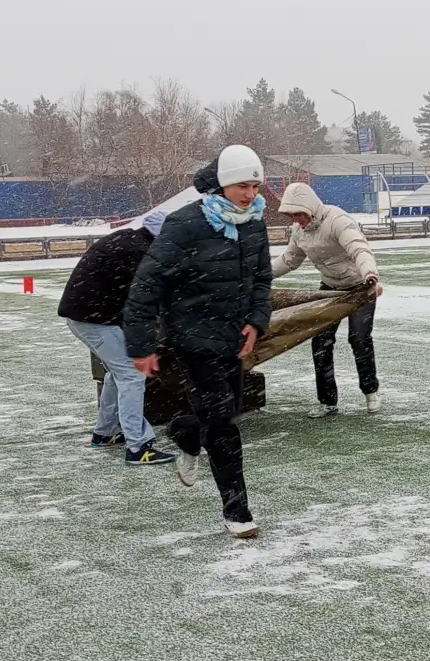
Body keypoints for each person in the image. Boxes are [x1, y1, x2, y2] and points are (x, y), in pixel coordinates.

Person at [124, 145, 274, 539]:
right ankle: (237, 510)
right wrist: (141, 344)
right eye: (243, 185)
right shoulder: (186, 223)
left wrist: (257, 321)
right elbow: (148, 284)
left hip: (232, 338)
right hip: (192, 336)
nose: (250, 193)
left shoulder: (254, 222)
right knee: (223, 424)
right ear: (223, 183)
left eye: (256, 185)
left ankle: (185, 433)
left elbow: (262, 279)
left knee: (227, 412)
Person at [57, 213, 174, 466]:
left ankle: (105, 433)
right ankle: (138, 447)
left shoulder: (131, 242)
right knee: (132, 375)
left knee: (117, 372)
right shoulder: (140, 254)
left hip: (86, 316)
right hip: (94, 320)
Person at [274, 180, 383, 417]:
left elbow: (358, 248)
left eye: (299, 214)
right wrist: (260, 276)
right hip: (330, 289)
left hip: (361, 287)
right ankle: (328, 402)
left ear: (310, 208)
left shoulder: (337, 220)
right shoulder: (299, 231)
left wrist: (370, 273)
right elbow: (289, 260)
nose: (296, 220)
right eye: (291, 215)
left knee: (359, 339)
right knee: (320, 343)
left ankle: (370, 392)